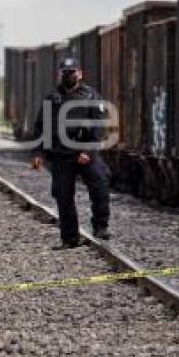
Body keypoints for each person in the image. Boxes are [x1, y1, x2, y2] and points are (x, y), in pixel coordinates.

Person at [31, 58, 111, 249]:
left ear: (80, 74)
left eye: (73, 72)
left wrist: (89, 151)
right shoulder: (52, 98)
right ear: (61, 75)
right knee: (63, 196)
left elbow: (99, 127)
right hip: (61, 154)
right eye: (66, 72)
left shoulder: (91, 96)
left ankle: (100, 227)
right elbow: (41, 127)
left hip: (85, 152)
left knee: (100, 187)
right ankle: (69, 239)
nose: (70, 75)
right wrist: (38, 153)